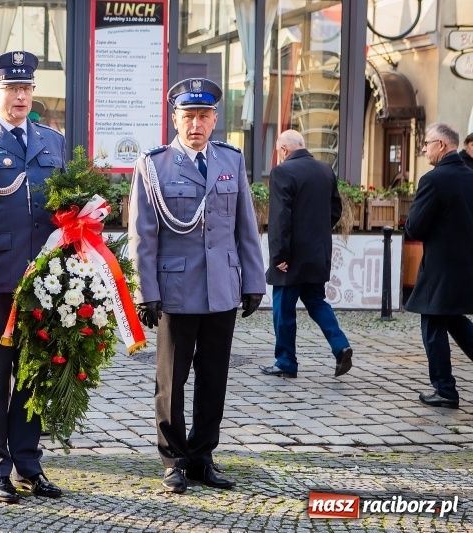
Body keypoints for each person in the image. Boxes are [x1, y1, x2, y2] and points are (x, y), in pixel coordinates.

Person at [128, 78, 266, 494]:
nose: (196, 125)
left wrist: (254, 281)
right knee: (171, 381)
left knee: (214, 378)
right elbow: (143, 234)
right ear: (175, 118)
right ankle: (174, 460)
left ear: (215, 120)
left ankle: (204, 455)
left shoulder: (229, 161)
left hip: (222, 288)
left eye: (204, 116)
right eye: (188, 116)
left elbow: (246, 227)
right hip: (176, 290)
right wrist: (145, 290)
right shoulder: (154, 166)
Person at [0, 50, 65, 504]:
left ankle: (28, 462)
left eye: (26, 88)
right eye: (12, 88)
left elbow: (64, 208)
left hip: (45, 280)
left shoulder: (53, 141)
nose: (20, 96)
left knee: (34, 375)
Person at [259, 130, 353, 380]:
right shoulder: (325, 170)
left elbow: (280, 219)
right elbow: (335, 211)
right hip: (317, 253)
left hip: (290, 257)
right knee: (317, 302)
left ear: (283, 150)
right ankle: (341, 345)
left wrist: (279, 255)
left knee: (283, 309)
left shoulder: (282, 172)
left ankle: (286, 362)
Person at [404, 122, 473, 409]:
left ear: (442, 145)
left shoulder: (434, 179)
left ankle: (445, 390)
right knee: (454, 320)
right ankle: (444, 389)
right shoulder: (470, 176)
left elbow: (416, 227)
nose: (424, 149)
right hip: (466, 264)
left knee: (433, 325)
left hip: (440, 268)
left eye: (427, 144)